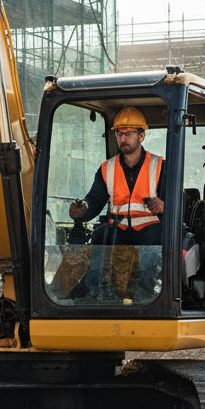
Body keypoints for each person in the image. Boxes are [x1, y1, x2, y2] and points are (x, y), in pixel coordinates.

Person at [68, 107, 165, 301]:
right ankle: (95, 292)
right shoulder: (107, 168)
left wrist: (163, 205)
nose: (123, 139)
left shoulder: (160, 165)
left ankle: (143, 297)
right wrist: (83, 209)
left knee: (154, 241)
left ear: (141, 136)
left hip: (149, 230)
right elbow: (95, 200)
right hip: (119, 230)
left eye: (129, 134)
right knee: (99, 235)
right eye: (119, 134)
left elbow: (177, 200)